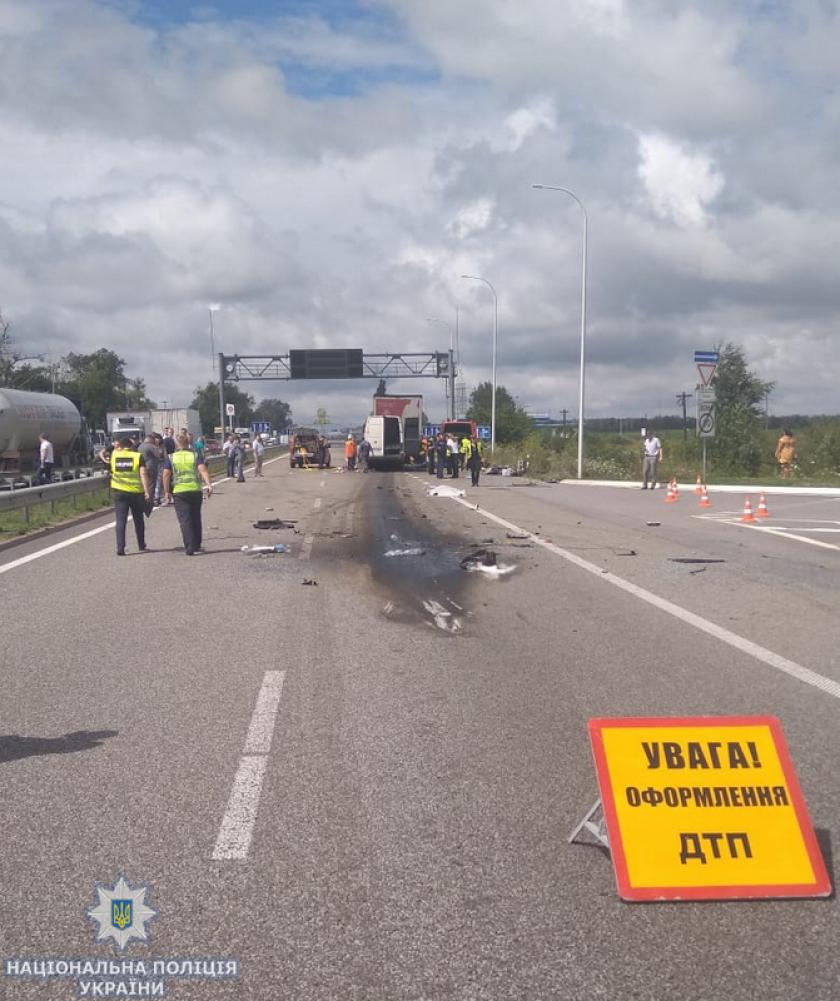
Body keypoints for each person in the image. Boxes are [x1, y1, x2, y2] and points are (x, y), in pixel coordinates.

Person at [163, 433, 213, 555]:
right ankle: (197, 544)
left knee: (185, 520)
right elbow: (202, 469)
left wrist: (166, 491)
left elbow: (166, 474)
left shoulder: (171, 457)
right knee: (196, 517)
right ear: (188, 443)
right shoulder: (195, 455)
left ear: (176, 444)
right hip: (195, 490)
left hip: (180, 491)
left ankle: (190, 547)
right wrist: (209, 485)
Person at [110, 436, 152, 556]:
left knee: (120, 520)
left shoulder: (114, 455)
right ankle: (141, 544)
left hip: (119, 491)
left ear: (121, 446)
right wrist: (146, 491)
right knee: (138, 519)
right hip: (135, 492)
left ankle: (120, 547)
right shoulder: (137, 456)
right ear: (131, 446)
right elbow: (143, 473)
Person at [137, 433, 160, 514]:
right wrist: (157, 447)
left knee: (143, 485)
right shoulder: (151, 446)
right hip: (151, 468)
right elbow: (158, 455)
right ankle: (148, 506)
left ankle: (141, 503)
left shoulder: (140, 446)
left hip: (141, 468)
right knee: (151, 487)